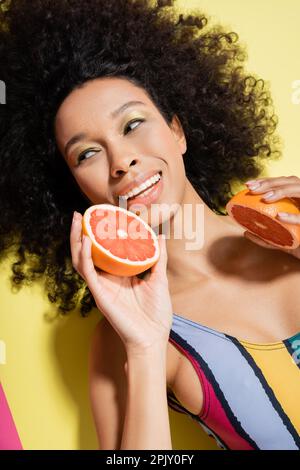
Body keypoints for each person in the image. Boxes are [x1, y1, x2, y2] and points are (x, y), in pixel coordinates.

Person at [0, 0, 299, 450]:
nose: (122, 161)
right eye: (87, 153)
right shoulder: (120, 337)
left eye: (133, 124)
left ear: (177, 132)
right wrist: (144, 348)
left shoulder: (291, 225)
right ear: (78, 188)